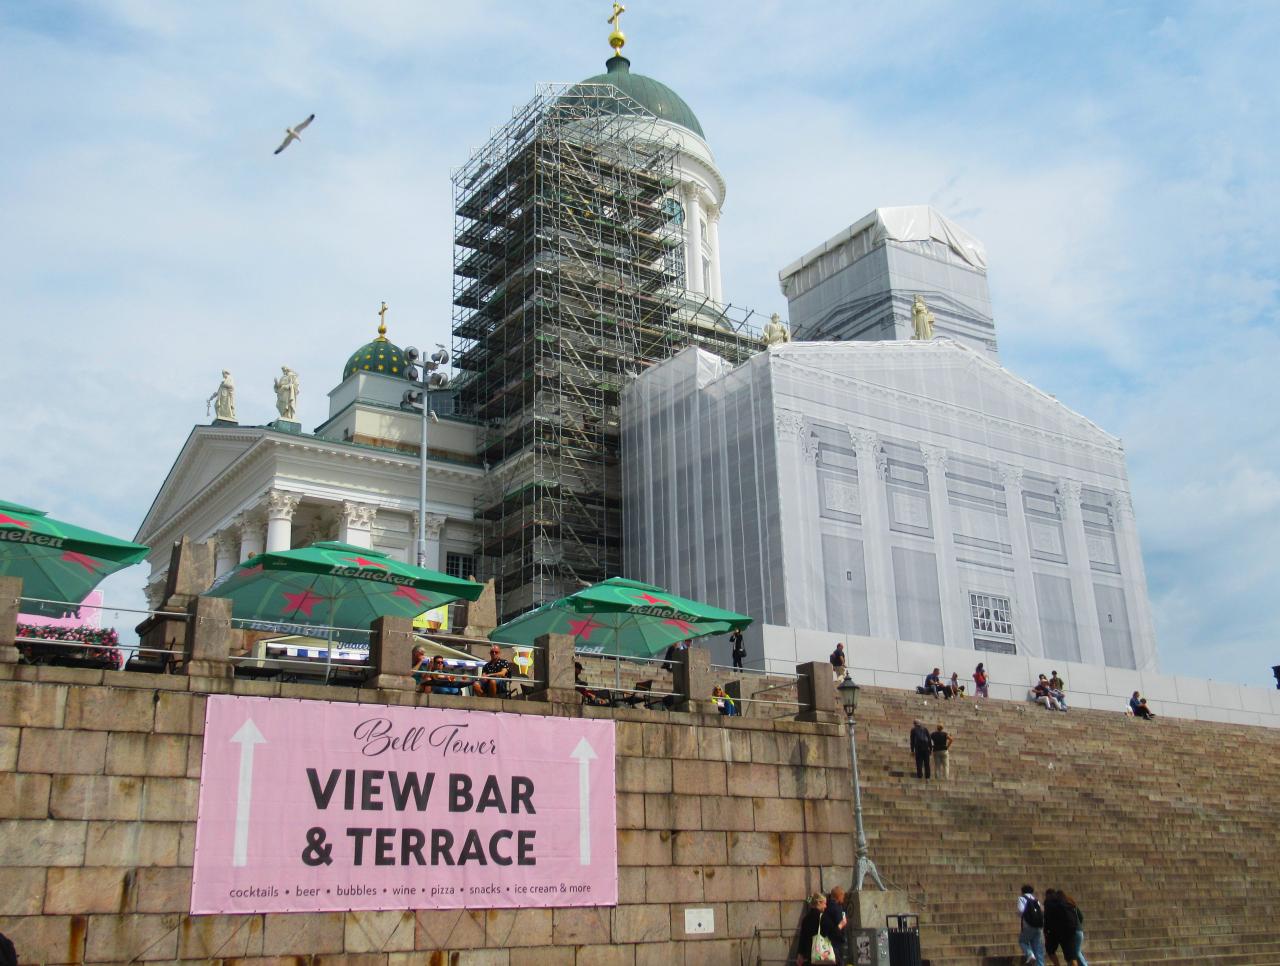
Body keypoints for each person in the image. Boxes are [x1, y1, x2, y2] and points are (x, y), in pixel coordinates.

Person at [1043, 888, 1081, 966]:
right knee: (1071, 957)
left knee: (1050, 950)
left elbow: (1047, 918)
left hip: (1055, 932)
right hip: (1069, 931)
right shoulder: (1067, 903)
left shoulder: (1049, 903)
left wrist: (1046, 930)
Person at [795, 893, 828, 966]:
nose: (826, 906)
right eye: (825, 903)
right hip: (822, 954)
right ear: (819, 903)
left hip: (809, 955)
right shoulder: (823, 918)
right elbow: (834, 934)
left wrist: (800, 954)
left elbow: (802, 937)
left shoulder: (806, 918)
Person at [1017, 884, 1046, 966]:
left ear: (1022, 891)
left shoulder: (1021, 898)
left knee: (1022, 941)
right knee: (1038, 948)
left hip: (1028, 925)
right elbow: (1041, 911)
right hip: (1039, 926)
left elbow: (1021, 910)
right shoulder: (1035, 900)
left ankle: (1030, 955)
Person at [820, 886, 848, 965]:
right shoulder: (836, 908)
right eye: (843, 896)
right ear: (839, 896)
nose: (843, 898)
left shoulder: (825, 906)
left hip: (825, 943)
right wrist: (843, 937)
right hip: (836, 944)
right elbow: (839, 926)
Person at [1061, 891, 1088, 966]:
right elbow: (1081, 917)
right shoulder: (1074, 906)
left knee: (1076, 951)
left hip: (1073, 931)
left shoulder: (1064, 907)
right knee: (1077, 950)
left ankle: (1084, 964)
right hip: (1080, 930)